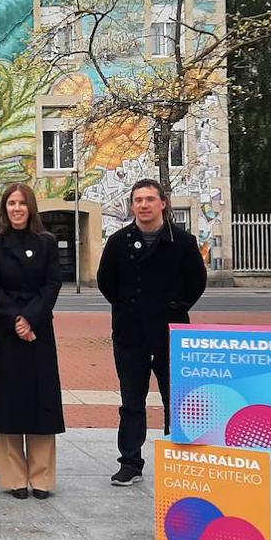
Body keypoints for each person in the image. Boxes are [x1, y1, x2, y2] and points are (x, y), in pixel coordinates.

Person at [98, 178, 207, 487]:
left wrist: (174, 305)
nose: (143, 205)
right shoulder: (119, 242)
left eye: (149, 199)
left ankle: (178, 459)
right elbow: (106, 281)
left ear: (163, 204)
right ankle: (130, 461)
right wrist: (125, 307)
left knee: (176, 399)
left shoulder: (182, 242)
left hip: (170, 334)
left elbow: (196, 281)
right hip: (130, 334)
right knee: (132, 400)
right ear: (132, 206)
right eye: (138, 200)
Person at [0, 183, 64, 499]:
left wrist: (30, 318)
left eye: (22, 203)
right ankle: (15, 477)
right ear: (5, 208)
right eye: (11, 203)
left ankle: (42, 478)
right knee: (9, 404)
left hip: (39, 330)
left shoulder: (47, 242)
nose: (16, 208)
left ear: (31, 207)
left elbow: (52, 283)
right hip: (6, 332)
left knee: (40, 403)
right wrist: (15, 319)